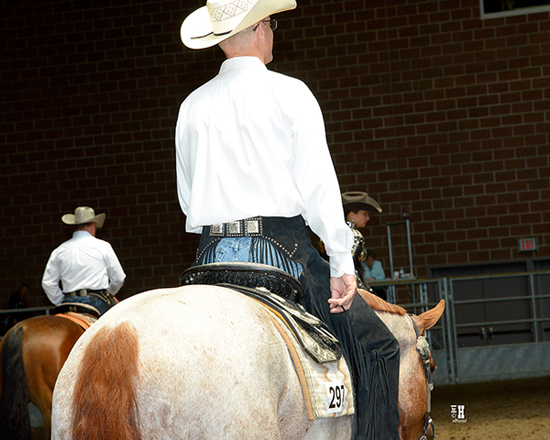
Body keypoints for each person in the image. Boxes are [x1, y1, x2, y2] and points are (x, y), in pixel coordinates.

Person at [176, 2, 399, 439]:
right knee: (379, 347)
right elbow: (319, 188)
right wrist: (342, 263)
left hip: (208, 256)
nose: (273, 32)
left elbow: (187, 199)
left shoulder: (190, 106)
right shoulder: (291, 92)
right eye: (272, 24)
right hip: (281, 250)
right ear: (261, 29)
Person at [41, 206, 126, 316]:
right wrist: (110, 292)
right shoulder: (103, 246)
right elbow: (119, 278)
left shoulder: (59, 250)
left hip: (69, 302)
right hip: (97, 301)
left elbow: (48, 283)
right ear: (93, 225)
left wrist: (60, 300)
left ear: (74, 228)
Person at [342, 191, 382, 290]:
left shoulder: (340, 234)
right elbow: (349, 267)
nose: (368, 218)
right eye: (364, 214)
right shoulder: (354, 236)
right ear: (351, 216)